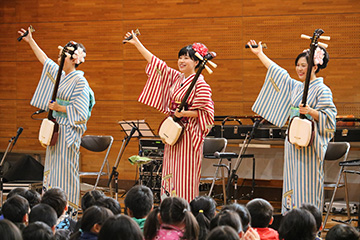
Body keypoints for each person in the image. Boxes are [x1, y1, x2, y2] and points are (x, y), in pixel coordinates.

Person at [123, 30, 214, 202]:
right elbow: (158, 65)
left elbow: (207, 112)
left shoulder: (201, 84)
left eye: (186, 58)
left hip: (189, 135)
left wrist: (185, 113)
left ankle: (184, 208)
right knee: (170, 172)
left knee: (184, 175)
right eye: (180, 57)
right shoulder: (176, 77)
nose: (181, 61)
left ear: (196, 62)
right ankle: (168, 205)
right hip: (174, 133)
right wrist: (137, 44)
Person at [249, 39, 337, 213]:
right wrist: (260, 54)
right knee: (292, 182)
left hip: (310, 146)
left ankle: (309, 223)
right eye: (297, 65)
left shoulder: (322, 89)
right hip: (293, 142)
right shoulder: (296, 87)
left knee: (308, 184)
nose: (299, 69)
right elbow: (278, 73)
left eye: (304, 65)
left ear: (315, 66)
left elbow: (330, 119)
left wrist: (311, 111)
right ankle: (291, 219)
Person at [18, 27, 95, 210]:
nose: (59, 59)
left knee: (66, 172)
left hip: (67, 133)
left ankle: (67, 208)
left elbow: (82, 112)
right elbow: (44, 61)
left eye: (62, 57)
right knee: (52, 171)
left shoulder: (80, 82)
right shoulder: (61, 75)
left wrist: (60, 107)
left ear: (72, 59)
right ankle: (50, 206)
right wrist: (30, 40)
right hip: (55, 130)